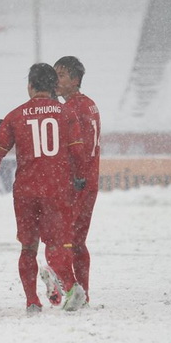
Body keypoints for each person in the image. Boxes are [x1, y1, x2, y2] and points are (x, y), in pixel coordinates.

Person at [0, 63, 87, 313]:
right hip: (57, 188)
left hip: (26, 191)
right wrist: (79, 176)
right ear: (54, 86)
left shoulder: (15, 116)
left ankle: (32, 301)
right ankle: (70, 286)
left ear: (30, 86)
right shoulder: (66, 114)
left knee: (28, 247)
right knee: (56, 244)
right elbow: (78, 151)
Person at [54, 56, 101, 304]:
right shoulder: (89, 104)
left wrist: (75, 177)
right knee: (78, 242)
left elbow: (76, 148)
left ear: (75, 80)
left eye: (61, 75)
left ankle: (68, 288)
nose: (56, 80)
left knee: (63, 240)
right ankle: (83, 292)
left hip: (76, 183)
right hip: (90, 181)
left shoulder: (70, 108)